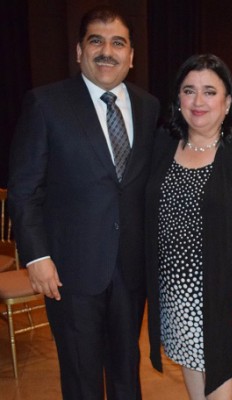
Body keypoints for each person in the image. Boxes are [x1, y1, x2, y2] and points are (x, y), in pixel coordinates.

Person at [8, 6, 159, 399]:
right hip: (70, 272)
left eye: (117, 43)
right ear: (79, 51)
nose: (106, 51)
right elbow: (24, 190)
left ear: (131, 55)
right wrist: (37, 257)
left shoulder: (149, 107)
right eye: (96, 41)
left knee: (127, 370)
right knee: (80, 375)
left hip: (130, 270)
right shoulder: (46, 104)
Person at [145, 53, 232, 400]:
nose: (198, 101)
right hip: (174, 289)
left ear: (228, 101)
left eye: (210, 92)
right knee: (192, 366)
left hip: (220, 289)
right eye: (189, 91)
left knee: (218, 375)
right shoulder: (165, 143)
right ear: (178, 100)